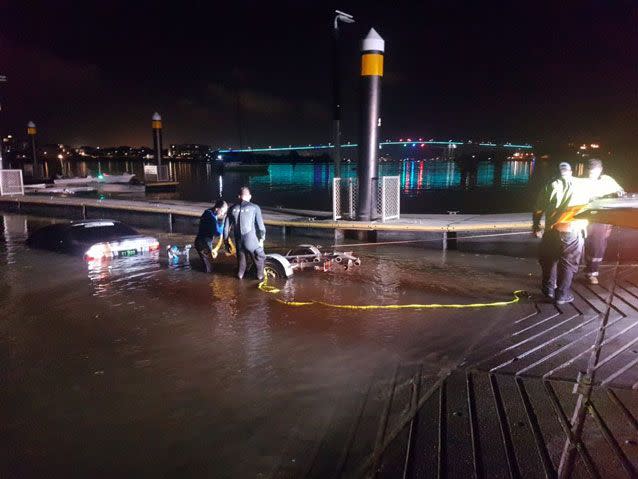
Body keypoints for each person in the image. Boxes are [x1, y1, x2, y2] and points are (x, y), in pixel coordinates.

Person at [532, 162, 591, 304]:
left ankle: (548, 290)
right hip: (573, 230)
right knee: (568, 262)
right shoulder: (583, 184)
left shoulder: (549, 185)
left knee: (548, 260)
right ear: (570, 172)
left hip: (552, 230)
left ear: (557, 173)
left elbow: (538, 209)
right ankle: (561, 295)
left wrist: (536, 226)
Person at [583, 158, 625, 284]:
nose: (592, 175)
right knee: (579, 246)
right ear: (586, 170)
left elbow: (620, 190)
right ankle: (568, 273)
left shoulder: (607, 180)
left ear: (600, 170)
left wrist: (619, 193)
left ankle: (592, 272)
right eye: (590, 172)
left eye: (594, 171)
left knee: (597, 247)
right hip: (583, 218)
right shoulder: (580, 181)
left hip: (601, 219)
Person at [225, 187, 266, 280]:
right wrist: (262, 239)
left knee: (241, 269)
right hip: (251, 241)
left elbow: (226, 228)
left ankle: (239, 287)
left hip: (239, 242)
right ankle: (260, 281)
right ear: (250, 196)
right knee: (260, 262)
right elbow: (261, 227)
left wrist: (226, 241)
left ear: (238, 196)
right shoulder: (255, 207)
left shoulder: (231, 208)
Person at [194, 199, 230, 273]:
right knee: (209, 268)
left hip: (202, 242)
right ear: (217, 208)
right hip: (203, 244)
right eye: (222, 211)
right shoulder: (211, 216)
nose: (223, 214)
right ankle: (207, 283)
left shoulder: (209, 213)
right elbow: (217, 232)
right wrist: (223, 223)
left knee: (208, 266)